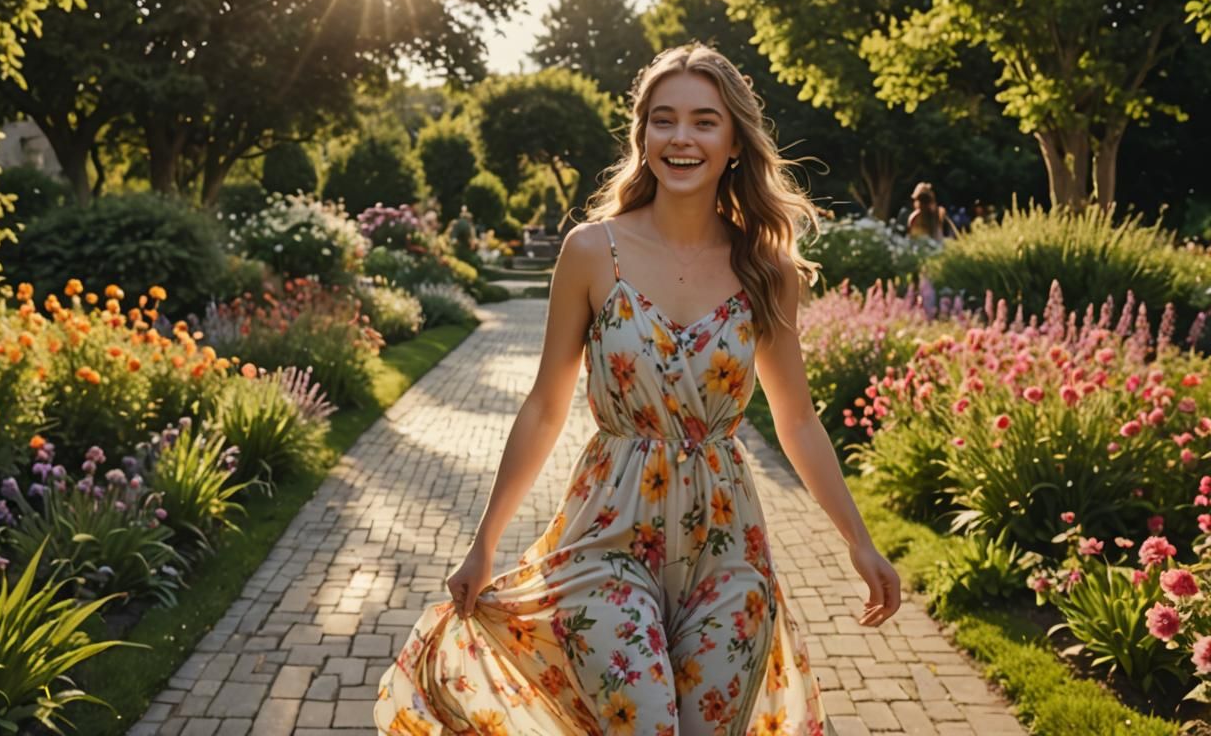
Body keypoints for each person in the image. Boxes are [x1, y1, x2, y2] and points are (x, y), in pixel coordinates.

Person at [374, 42, 901, 735]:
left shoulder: (766, 269)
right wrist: (485, 541)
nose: (682, 138)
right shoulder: (594, 251)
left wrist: (858, 542)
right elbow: (544, 405)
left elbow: (797, 420)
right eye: (664, 120)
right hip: (606, 538)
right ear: (642, 135)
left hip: (729, 546)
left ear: (735, 141)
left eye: (704, 121)